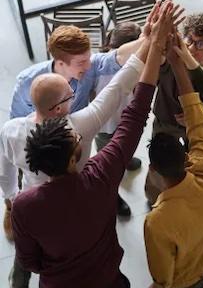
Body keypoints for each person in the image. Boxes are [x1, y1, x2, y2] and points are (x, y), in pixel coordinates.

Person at [11, 1, 174, 288]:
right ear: (76, 153)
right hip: (103, 285)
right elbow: (131, 109)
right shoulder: (99, 177)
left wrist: (147, 41)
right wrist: (155, 48)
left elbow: (30, 258)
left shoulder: (24, 202)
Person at [0, 48, 145, 288]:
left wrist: (12, 198)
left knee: (31, 244)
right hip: (76, 196)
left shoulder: (11, 130)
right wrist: (150, 45)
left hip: (33, 202)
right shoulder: (78, 126)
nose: (74, 95)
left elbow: (5, 172)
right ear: (57, 108)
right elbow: (118, 88)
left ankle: (20, 283)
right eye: (70, 94)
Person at [8, 24, 145, 218]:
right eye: (81, 62)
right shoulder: (26, 82)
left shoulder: (88, 69)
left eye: (89, 58)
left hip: (78, 141)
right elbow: (19, 125)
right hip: (43, 156)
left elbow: (116, 58)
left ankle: (111, 197)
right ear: (60, 63)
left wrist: (146, 39)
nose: (88, 66)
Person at [144, 35, 203, 288]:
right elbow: (198, 122)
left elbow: (163, 266)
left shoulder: (158, 220)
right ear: (185, 154)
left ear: (153, 169)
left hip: (181, 282)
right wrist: (179, 66)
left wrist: (159, 285)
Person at [145, 13, 203, 205]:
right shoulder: (170, 57)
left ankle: (186, 198)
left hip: (193, 129)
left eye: (200, 45)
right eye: (190, 39)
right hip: (164, 120)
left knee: (191, 164)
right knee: (159, 163)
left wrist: (194, 117)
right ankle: (155, 196)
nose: (191, 47)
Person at [95, 22, 143, 214]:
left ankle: (127, 159)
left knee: (125, 145)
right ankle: (112, 197)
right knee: (108, 164)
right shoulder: (100, 66)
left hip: (123, 119)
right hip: (104, 125)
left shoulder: (135, 64)